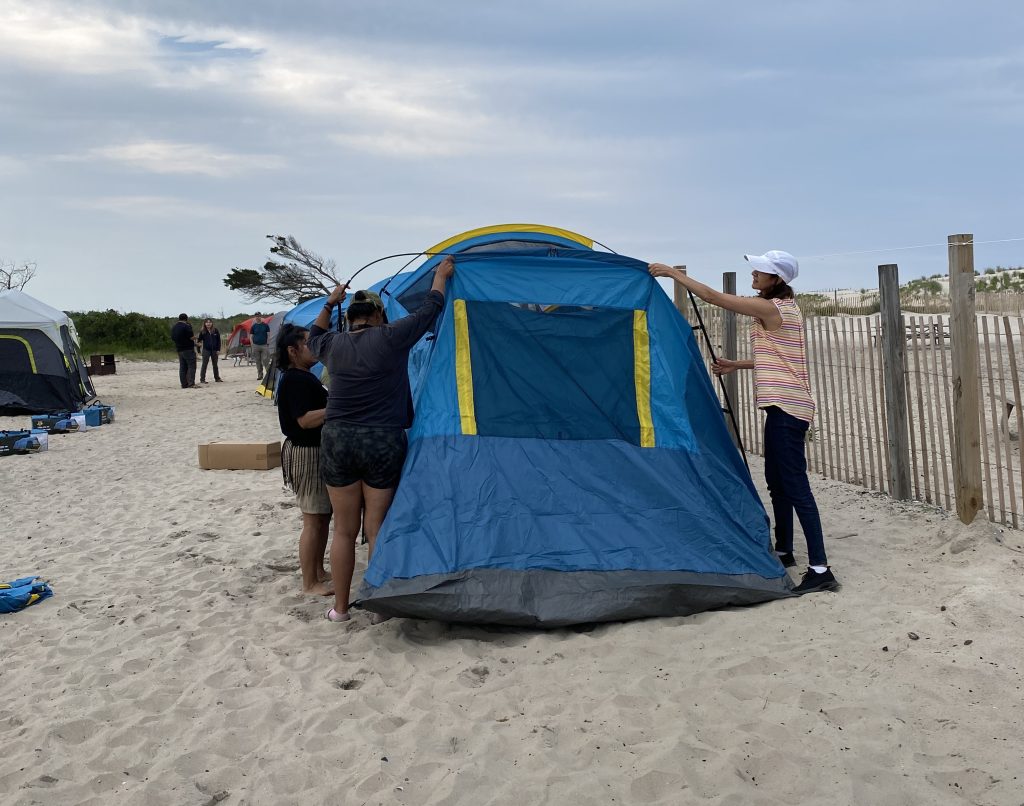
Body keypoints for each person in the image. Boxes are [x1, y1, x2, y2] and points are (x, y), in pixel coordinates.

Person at [649, 251, 839, 595]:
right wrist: (737, 364)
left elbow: (712, 297)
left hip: (788, 408)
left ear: (776, 280)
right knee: (777, 482)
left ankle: (821, 568)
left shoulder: (772, 308)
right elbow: (780, 357)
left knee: (795, 486)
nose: (753, 274)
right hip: (782, 406)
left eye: (761, 272)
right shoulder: (786, 310)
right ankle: (784, 550)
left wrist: (671, 275)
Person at [308, 256, 455, 622]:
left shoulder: (333, 345)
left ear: (351, 317)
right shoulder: (391, 337)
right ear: (377, 316)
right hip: (383, 440)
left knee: (343, 531)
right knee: (376, 528)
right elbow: (430, 310)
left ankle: (340, 609)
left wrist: (329, 301)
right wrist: (440, 276)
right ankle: (376, 608)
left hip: (338, 438)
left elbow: (312, 336)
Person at [276, 323, 333, 596]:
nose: (314, 348)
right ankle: (309, 582)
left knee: (322, 515)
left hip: (313, 450)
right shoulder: (296, 379)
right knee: (313, 518)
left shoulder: (304, 376)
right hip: (306, 451)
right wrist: (336, 405)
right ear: (292, 350)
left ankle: (318, 571)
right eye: (308, 343)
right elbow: (305, 420)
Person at [170, 313, 198, 389]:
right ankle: (191, 383)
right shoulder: (186, 326)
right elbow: (191, 337)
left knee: (182, 367)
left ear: (179, 319)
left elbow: (172, 338)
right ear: (186, 319)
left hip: (179, 349)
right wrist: (196, 338)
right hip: (188, 349)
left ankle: (184, 384)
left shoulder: (174, 327)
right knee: (191, 366)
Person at [197, 319, 223, 383]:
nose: (208, 323)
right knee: (204, 365)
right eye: (207, 322)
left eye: (210, 322)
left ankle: (217, 378)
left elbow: (218, 341)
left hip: (214, 350)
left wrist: (218, 349)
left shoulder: (215, 330)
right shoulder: (202, 331)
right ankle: (202, 379)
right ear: (205, 323)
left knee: (215, 365)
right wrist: (198, 351)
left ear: (212, 323)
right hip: (206, 350)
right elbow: (199, 341)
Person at [250, 313, 271, 378]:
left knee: (265, 360)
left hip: (264, 345)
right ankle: (260, 375)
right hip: (256, 345)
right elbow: (251, 336)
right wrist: (252, 344)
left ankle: (268, 375)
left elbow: (268, 335)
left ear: (261, 317)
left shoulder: (265, 325)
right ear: (255, 317)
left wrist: (268, 342)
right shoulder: (253, 326)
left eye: (259, 316)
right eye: (256, 316)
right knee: (257, 361)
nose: (257, 317)